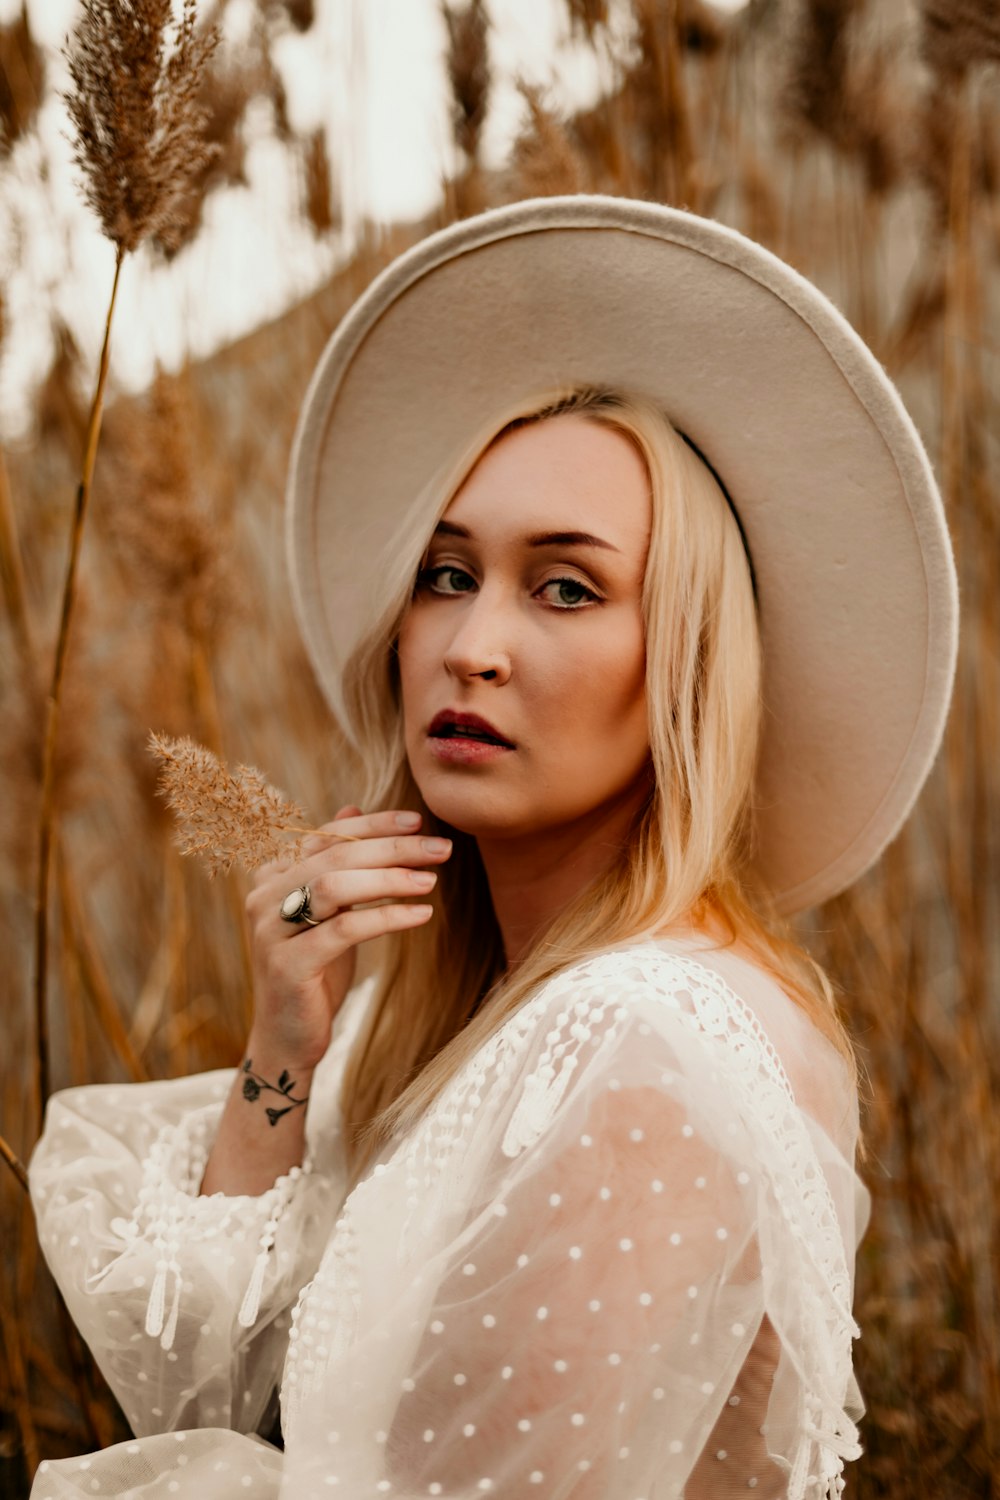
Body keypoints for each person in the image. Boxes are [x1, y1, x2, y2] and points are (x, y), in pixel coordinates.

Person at [28, 197, 958, 1500]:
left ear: (684, 665)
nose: (470, 644)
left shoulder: (645, 1040)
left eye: (565, 586)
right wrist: (287, 1043)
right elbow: (209, 1384)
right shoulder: (485, 1019)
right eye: (447, 574)